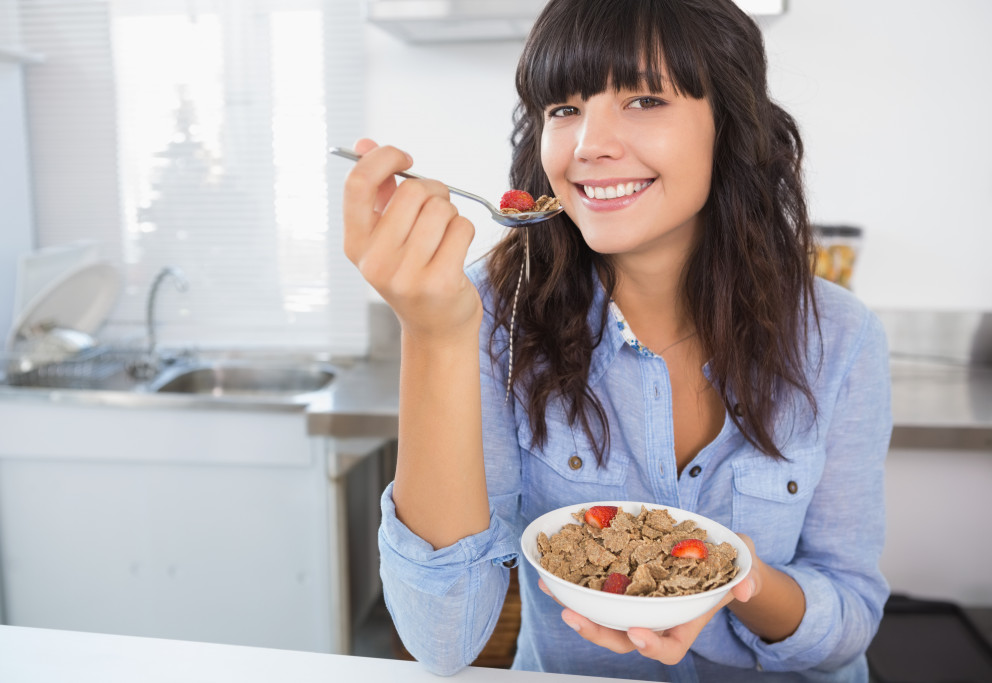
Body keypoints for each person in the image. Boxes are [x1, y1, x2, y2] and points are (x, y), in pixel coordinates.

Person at [340, 0, 892, 680]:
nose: (586, 146)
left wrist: (738, 581)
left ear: (732, 124)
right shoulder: (487, 314)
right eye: (563, 109)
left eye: (644, 99)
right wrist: (434, 336)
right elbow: (444, 638)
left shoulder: (839, 337)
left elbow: (851, 618)